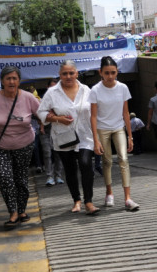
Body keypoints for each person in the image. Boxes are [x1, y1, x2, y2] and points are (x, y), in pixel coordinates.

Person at [0, 66, 40, 229]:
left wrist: (51, 120)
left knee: (21, 179)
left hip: (24, 145)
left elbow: (42, 113)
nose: (11, 82)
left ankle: (22, 210)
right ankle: (12, 212)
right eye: (8, 78)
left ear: (19, 81)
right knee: (6, 179)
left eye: (14, 78)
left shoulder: (28, 98)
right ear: (2, 80)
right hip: (0, 146)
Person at [38, 61, 100, 215]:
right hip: (64, 138)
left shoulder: (86, 90)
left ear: (77, 73)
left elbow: (94, 113)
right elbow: (41, 113)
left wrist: (98, 137)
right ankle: (76, 200)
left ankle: (89, 201)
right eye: (65, 73)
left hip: (85, 136)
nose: (68, 76)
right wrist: (58, 118)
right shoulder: (52, 93)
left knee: (86, 164)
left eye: (71, 73)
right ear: (60, 75)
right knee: (70, 169)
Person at [89, 56, 139, 212]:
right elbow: (93, 116)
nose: (110, 76)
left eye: (113, 73)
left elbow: (125, 113)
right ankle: (109, 192)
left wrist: (130, 136)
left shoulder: (123, 88)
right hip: (102, 128)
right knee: (107, 161)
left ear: (117, 72)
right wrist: (95, 140)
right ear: (100, 73)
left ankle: (128, 198)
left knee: (124, 158)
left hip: (118, 127)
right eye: (107, 73)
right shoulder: (95, 90)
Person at [40, 78, 65, 186]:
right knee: (47, 153)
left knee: (58, 154)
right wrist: (41, 126)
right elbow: (39, 114)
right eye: (51, 87)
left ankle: (58, 175)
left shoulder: (62, 100)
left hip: (58, 129)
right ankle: (49, 176)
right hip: (45, 130)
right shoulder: (43, 100)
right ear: (47, 87)